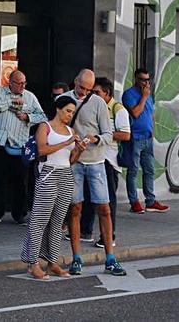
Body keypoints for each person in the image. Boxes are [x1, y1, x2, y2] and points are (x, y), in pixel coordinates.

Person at [62, 69, 126, 276]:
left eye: (89, 90)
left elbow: (109, 134)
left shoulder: (98, 102)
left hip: (97, 161)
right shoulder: (63, 100)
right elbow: (56, 128)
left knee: (104, 209)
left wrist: (96, 139)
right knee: (75, 209)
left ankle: (110, 257)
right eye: (81, 88)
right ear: (75, 82)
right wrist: (71, 141)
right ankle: (77, 258)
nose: (84, 93)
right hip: (74, 163)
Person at [21, 94, 83, 280]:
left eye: (72, 112)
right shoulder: (45, 127)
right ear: (58, 109)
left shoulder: (71, 131)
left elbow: (71, 160)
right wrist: (66, 143)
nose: (69, 115)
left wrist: (79, 149)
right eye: (67, 111)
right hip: (48, 172)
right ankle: (33, 263)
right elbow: (42, 150)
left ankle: (52, 261)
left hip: (65, 174)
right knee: (40, 219)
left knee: (58, 221)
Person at [0, 70, 46, 226]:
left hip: (19, 143)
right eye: (18, 83)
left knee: (20, 181)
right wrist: (10, 103)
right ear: (10, 82)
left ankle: (19, 214)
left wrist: (27, 116)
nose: (21, 86)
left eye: (24, 83)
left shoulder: (30, 97)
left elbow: (42, 116)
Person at [79, 77, 130, 248]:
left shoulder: (118, 110)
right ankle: (85, 231)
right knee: (88, 196)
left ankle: (109, 236)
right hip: (93, 157)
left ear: (107, 93)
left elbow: (125, 134)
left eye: (97, 92)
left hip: (109, 159)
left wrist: (103, 134)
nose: (93, 95)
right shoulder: (93, 105)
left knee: (107, 200)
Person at [122, 67, 169, 214]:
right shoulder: (129, 94)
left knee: (149, 170)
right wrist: (143, 96)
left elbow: (151, 114)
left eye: (148, 79)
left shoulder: (148, 94)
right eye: (143, 79)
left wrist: (153, 132)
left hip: (148, 138)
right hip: (135, 138)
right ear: (136, 78)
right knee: (133, 171)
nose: (146, 82)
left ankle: (150, 201)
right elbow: (135, 113)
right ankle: (134, 202)